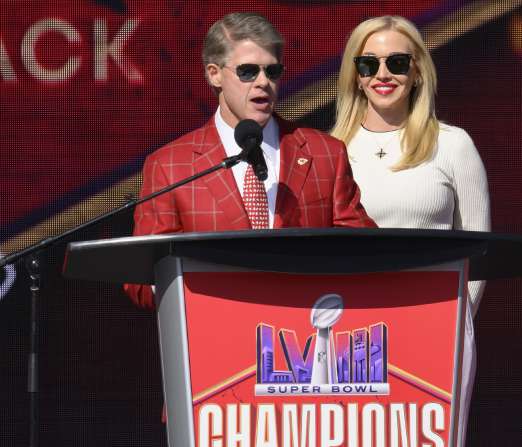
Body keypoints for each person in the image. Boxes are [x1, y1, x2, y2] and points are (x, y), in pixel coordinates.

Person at [332, 15, 490, 447]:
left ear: (419, 69)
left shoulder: (452, 145)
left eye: (397, 61)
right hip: (345, 352)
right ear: (353, 74)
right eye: (369, 64)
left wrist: (448, 329)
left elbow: (480, 253)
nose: (383, 75)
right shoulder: (326, 149)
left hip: (435, 341)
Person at [124, 12, 374, 308]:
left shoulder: (325, 153)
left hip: (305, 325)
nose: (263, 82)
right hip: (218, 326)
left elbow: (366, 251)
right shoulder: (169, 166)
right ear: (214, 74)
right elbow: (141, 283)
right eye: (247, 72)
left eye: (273, 71)